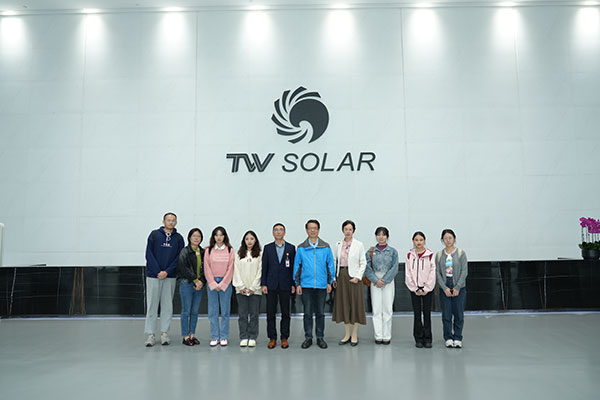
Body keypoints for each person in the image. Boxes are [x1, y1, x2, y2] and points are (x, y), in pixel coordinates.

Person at [293, 219, 336, 349]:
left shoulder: (325, 246)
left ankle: (320, 337)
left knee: (320, 313)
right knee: (307, 313)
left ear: (318, 230)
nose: (312, 230)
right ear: (306, 230)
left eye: (315, 228)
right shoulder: (301, 248)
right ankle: (308, 338)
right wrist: (297, 284)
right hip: (306, 285)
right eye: (310, 228)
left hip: (322, 286)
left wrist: (329, 282)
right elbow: (297, 267)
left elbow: (330, 265)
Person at [144, 212, 184, 347]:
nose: (171, 222)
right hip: (153, 276)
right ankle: (151, 335)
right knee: (152, 305)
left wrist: (167, 272)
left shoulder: (178, 238)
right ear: (163, 221)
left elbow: (179, 257)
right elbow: (149, 254)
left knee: (167, 305)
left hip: (169, 276)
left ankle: (164, 334)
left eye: (173, 220)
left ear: (176, 222)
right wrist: (158, 272)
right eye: (168, 220)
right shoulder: (154, 235)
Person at [261, 223, 296, 349]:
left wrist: (293, 284)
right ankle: (272, 338)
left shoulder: (291, 248)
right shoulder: (268, 248)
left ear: (284, 233)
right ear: (273, 233)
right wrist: (263, 284)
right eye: (276, 230)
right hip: (271, 285)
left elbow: (293, 268)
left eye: (281, 230)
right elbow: (264, 267)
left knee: (286, 313)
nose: (278, 232)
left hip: (286, 284)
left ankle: (284, 337)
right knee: (270, 313)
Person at [332, 220, 367, 346]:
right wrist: (334, 278)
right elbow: (334, 261)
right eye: (346, 229)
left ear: (353, 231)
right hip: (341, 276)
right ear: (342, 230)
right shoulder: (338, 244)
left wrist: (358, 277)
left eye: (350, 229)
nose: (348, 231)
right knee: (344, 304)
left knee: (355, 304)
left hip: (354, 277)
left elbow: (363, 262)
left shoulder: (359, 245)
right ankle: (347, 334)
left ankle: (354, 334)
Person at [364, 226, 399, 345]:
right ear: (376, 236)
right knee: (376, 308)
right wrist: (375, 280)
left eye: (383, 234)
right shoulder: (370, 252)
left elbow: (395, 268)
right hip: (375, 280)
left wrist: (385, 280)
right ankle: (378, 335)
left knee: (388, 308)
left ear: (387, 237)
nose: (381, 237)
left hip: (388, 280)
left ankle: (387, 335)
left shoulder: (393, 251)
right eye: (378, 234)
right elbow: (367, 268)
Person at [436, 229, 468, 348]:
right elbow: (437, 272)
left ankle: (458, 337)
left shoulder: (460, 253)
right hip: (445, 287)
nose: (448, 240)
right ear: (442, 240)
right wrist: (444, 288)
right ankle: (448, 337)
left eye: (450, 238)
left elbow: (464, 271)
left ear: (454, 239)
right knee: (446, 314)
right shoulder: (439, 255)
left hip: (459, 287)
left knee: (459, 314)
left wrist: (458, 287)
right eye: (445, 238)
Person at [204, 226, 235, 347]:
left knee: (225, 311)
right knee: (213, 311)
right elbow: (207, 268)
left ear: (225, 236)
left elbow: (231, 268)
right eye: (216, 235)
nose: (219, 237)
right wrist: (212, 283)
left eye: (221, 235)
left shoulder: (230, 250)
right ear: (213, 237)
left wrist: (223, 284)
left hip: (225, 282)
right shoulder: (209, 250)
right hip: (211, 282)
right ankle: (214, 336)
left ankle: (223, 336)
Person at [405, 231, 436, 348]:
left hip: (427, 290)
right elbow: (408, 273)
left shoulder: (430, 255)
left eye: (421, 240)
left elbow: (432, 273)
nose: (419, 242)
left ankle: (428, 338)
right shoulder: (410, 255)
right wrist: (414, 288)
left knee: (427, 314)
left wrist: (426, 288)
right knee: (417, 314)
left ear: (424, 241)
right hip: (414, 290)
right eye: (416, 240)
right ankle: (418, 338)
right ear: (413, 241)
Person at [233, 231, 263, 347]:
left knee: (254, 314)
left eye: (252, 239)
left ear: (255, 240)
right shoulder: (239, 254)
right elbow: (236, 270)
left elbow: (260, 271)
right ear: (244, 241)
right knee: (242, 315)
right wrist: (241, 286)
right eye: (247, 239)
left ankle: (253, 336)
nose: (249, 241)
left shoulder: (260, 254)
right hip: (241, 290)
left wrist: (253, 287)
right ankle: (244, 336)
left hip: (255, 290)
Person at [177, 228, 206, 346]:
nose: (196, 238)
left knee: (194, 311)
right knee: (186, 311)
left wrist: (201, 281)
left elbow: (206, 268)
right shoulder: (184, 251)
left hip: (199, 285)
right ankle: (185, 336)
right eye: (194, 236)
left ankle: (192, 335)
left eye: (198, 236)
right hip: (187, 284)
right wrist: (195, 280)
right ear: (189, 238)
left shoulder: (203, 252)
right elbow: (183, 267)